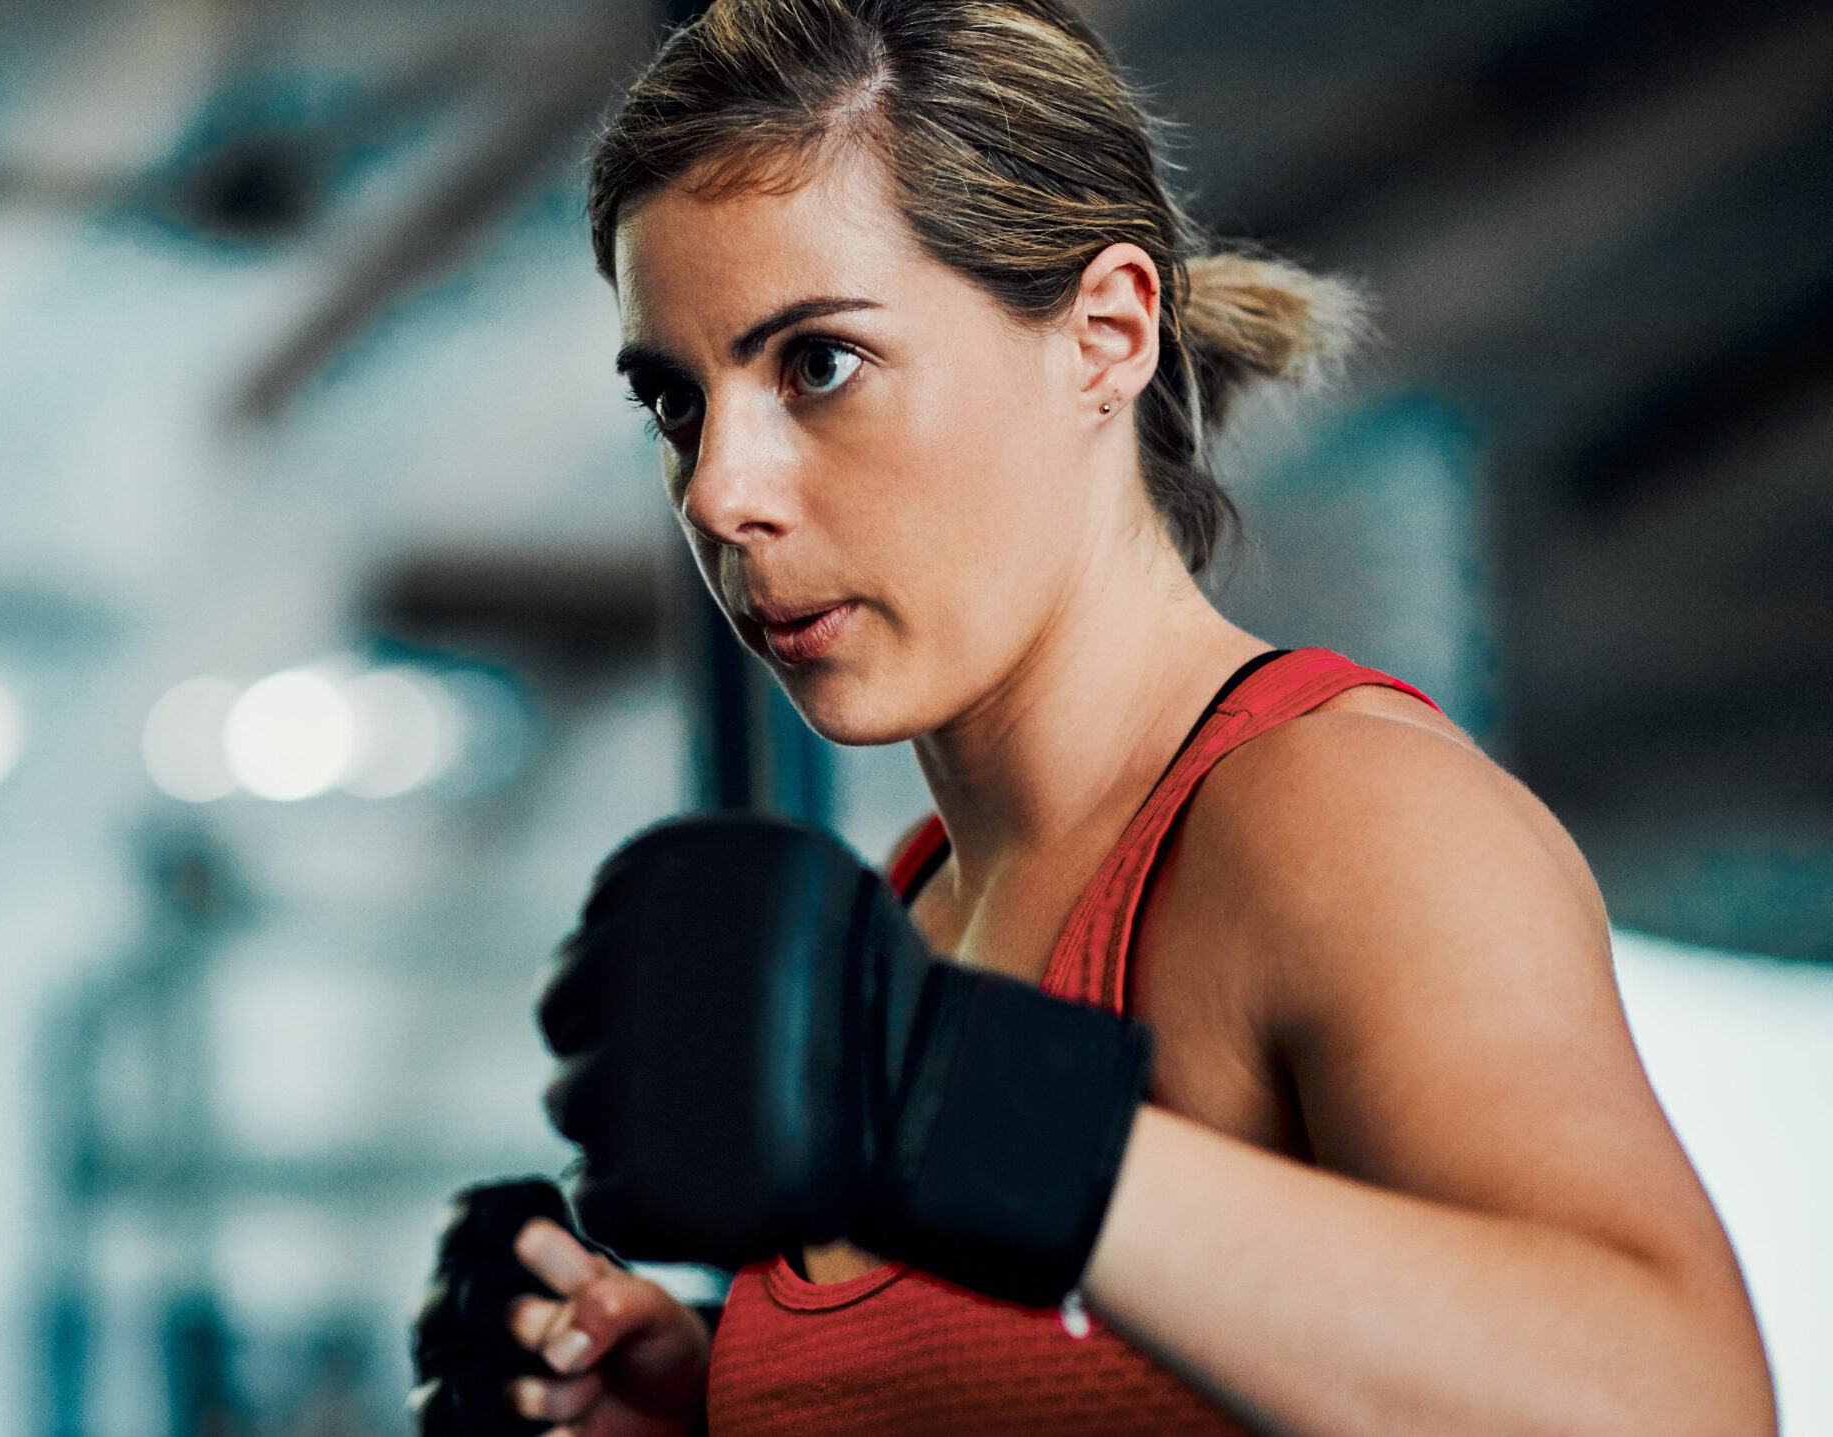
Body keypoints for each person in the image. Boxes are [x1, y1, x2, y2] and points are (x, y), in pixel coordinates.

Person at [417, 1, 1776, 1432]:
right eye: (679, 404)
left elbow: (1678, 1401)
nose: (717, 491)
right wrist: (699, 1403)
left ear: (1106, 333)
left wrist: (977, 1110)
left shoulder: (1337, 815)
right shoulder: (908, 922)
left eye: (818, 363)